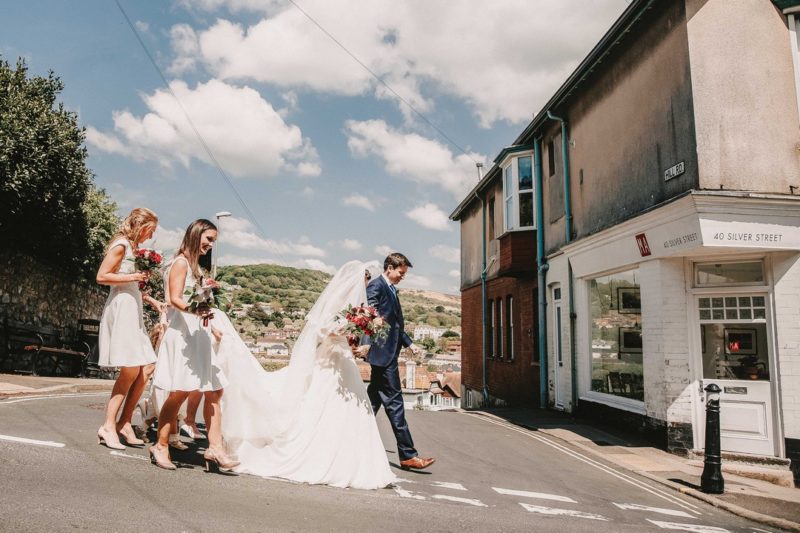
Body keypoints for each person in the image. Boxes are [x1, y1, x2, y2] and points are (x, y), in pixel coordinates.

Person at [217, 260, 396, 489]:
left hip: (342, 357)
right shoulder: (338, 302)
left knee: (352, 407)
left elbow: (343, 331)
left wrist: (358, 332)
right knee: (323, 405)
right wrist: (350, 327)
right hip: (331, 359)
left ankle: (353, 463)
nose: (363, 288)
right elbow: (323, 329)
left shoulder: (354, 306)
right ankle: (330, 460)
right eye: (363, 283)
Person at [149, 219, 238, 472]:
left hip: (197, 334)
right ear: (196, 234)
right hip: (182, 335)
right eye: (208, 239)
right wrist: (196, 310)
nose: (210, 245)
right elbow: (175, 299)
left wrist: (211, 324)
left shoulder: (195, 267)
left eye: (214, 241)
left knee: (214, 390)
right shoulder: (180, 263)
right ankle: (161, 445)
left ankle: (215, 448)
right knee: (179, 393)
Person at [96, 207, 163, 450]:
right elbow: (102, 276)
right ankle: (108, 425)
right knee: (130, 370)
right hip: (121, 309)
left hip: (132, 307)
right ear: (141, 226)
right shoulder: (121, 245)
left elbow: (130, 284)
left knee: (147, 367)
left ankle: (125, 422)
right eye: (150, 230)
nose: (151, 236)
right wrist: (133, 276)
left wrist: (152, 300)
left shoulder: (133, 249)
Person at [364, 253, 435, 470]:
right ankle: (407, 454)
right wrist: (369, 337)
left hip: (388, 353)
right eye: (401, 273)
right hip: (383, 356)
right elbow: (369, 311)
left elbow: (395, 326)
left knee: (369, 405)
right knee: (395, 404)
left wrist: (411, 345)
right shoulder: (376, 286)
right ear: (389, 268)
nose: (402, 277)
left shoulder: (392, 289)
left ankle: (345, 440)